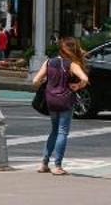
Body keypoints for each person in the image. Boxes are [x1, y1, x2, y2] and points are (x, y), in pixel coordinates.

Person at [30, 37, 89, 176]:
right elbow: (85, 79)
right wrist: (77, 86)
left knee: (54, 131)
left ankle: (44, 163)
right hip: (65, 100)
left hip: (51, 99)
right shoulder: (72, 64)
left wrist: (47, 83)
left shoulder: (49, 62)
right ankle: (57, 166)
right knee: (62, 132)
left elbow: (35, 81)